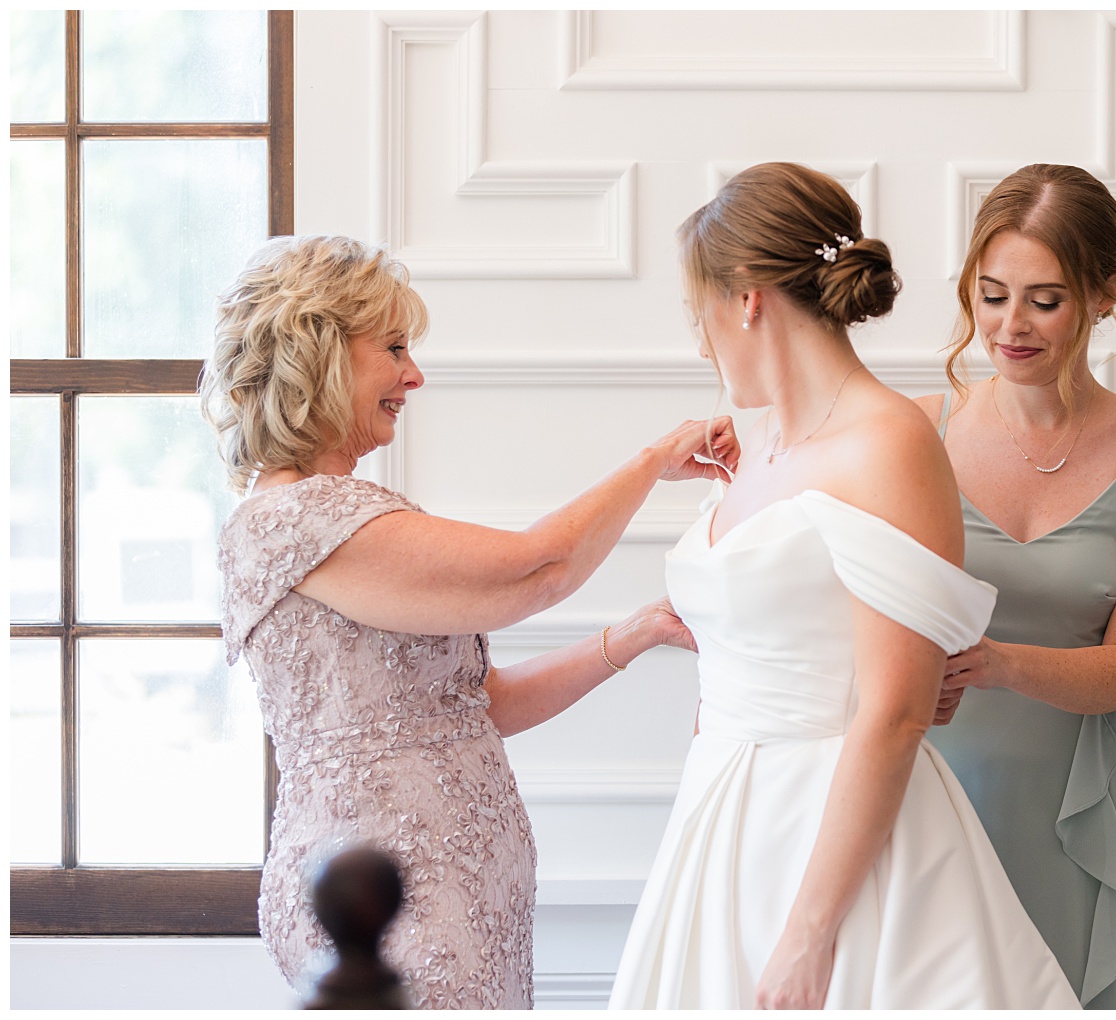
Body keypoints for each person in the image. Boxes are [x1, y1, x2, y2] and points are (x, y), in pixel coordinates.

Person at [200, 235, 739, 1009]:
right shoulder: (298, 520)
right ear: (320, 353)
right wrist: (654, 459)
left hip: (450, 891)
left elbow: (479, 707)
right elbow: (536, 569)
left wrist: (633, 633)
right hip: (387, 895)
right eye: (392, 348)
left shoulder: (333, 518)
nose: (413, 375)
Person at [608, 163, 1078, 1009]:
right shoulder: (749, 451)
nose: (700, 341)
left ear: (746, 300)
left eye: (698, 316)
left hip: (838, 836)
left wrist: (809, 934)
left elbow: (897, 710)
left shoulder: (888, 443)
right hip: (721, 827)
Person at [917, 163, 1116, 1008]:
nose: (1011, 326)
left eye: (1044, 300)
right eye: (991, 293)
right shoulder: (911, 433)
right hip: (937, 796)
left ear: (1107, 293)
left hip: (1094, 812)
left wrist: (1000, 663)